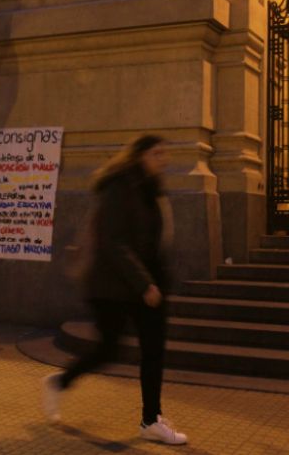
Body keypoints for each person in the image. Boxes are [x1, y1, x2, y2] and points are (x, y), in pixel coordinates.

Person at [42, 134, 186, 445]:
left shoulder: (151, 189)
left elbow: (152, 241)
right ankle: (59, 382)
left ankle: (151, 420)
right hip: (113, 285)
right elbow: (114, 242)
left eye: (165, 153)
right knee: (107, 350)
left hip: (146, 283)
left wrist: (156, 279)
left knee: (153, 352)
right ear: (141, 155)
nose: (164, 160)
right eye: (157, 153)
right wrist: (143, 282)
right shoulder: (119, 187)